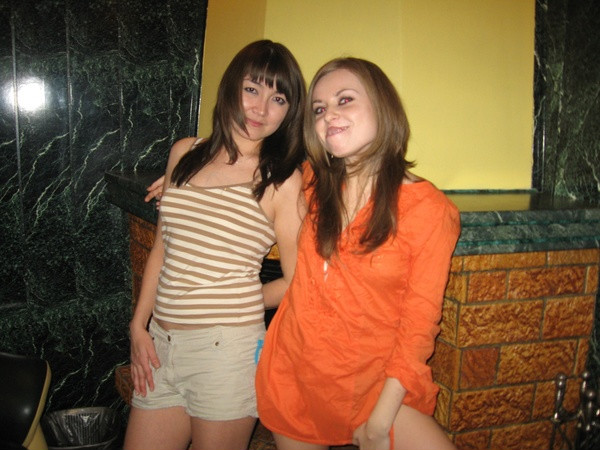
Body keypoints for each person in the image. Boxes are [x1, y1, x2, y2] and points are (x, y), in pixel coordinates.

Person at [254, 58, 461, 450]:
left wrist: (379, 423)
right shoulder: (312, 182)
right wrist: (188, 176)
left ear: (382, 107)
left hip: (380, 387)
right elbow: (250, 159)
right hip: (294, 379)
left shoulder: (429, 209)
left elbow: (419, 327)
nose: (328, 114)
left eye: (344, 100)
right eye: (319, 109)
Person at [123, 40, 307, 450]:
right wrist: (138, 325)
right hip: (161, 345)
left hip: (226, 352)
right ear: (231, 88)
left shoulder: (281, 180)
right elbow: (162, 248)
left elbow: (298, 282)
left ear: (289, 111)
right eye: (252, 89)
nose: (261, 108)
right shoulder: (184, 153)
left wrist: (235, 296)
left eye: (278, 98)